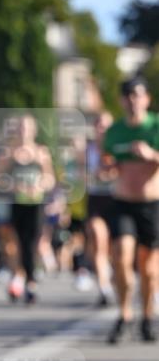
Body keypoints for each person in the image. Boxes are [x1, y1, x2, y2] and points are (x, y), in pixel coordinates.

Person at [103, 76, 159, 343]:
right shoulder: (114, 132)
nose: (133, 100)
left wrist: (152, 155)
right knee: (122, 257)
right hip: (123, 202)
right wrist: (106, 168)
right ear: (121, 100)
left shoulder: (156, 126)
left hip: (152, 204)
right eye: (127, 95)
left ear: (147, 98)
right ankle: (125, 313)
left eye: (137, 95)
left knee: (148, 268)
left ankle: (147, 316)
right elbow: (106, 164)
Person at [0, 115, 55, 304]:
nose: (23, 131)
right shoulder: (9, 153)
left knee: (33, 243)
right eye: (20, 128)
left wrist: (40, 185)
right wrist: (13, 185)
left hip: (35, 204)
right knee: (14, 244)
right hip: (15, 203)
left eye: (27, 128)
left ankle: (30, 282)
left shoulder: (41, 152)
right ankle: (18, 278)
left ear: (34, 131)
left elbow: (50, 178)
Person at [85, 112, 115, 306]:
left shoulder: (117, 149)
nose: (102, 129)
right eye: (99, 125)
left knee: (114, 247)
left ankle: (111, 273)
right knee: (98, 238)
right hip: (95, 198)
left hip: (116, 199)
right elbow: (76, 173)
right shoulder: (88, 150)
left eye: (106, 125)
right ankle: (104, 288)